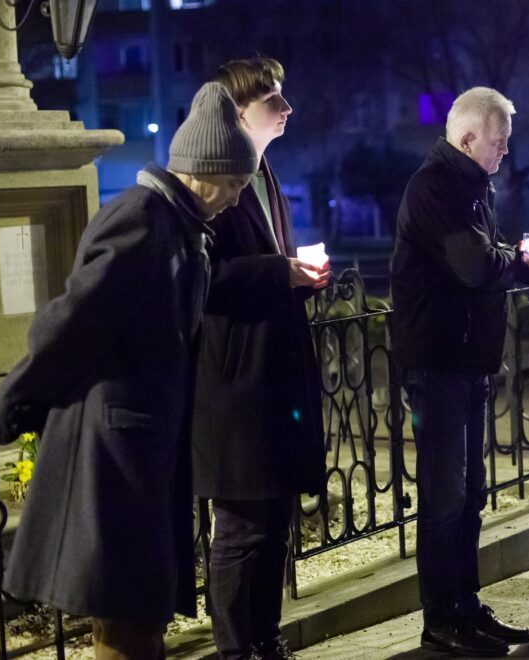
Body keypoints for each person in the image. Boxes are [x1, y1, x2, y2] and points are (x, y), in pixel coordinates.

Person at [0, 83, 256, 660]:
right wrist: (11, 406)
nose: (234, 198)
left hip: (138, 453)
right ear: (201, 170)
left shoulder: (180, 226)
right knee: (128, 618)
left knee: (136, 615)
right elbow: (72, 322)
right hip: (115, 456)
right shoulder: (143, 221)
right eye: (232, 184)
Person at [390, 86, 529, 657]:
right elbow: (475, 264)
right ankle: (440, 618)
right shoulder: (434, 189)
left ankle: (466, 605)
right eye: (499, 141)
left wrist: (511, 262)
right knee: (445, 496)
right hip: (437, 364)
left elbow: (484, 261)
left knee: (470, 493)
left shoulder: (472, 187)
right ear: (467, 138)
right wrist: (520, 259)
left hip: (467, 362)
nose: (506, 150)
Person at [191, 58, 329, 660]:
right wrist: (281, 272)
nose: (286, 106)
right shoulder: (216, 182)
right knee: (242, 526)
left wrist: (294, 273)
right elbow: (204, 279)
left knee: (275, 522)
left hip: (274, 374)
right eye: (274, 97)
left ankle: (264, 640)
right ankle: (233, 649)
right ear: (238, 111)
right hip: (235, 382)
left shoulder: (267, 175)